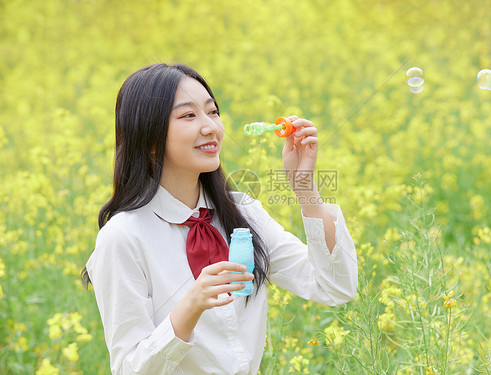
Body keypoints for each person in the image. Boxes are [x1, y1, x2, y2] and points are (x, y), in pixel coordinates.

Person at [81, 63, 358, 375]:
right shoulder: (122, 237)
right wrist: (190, 307)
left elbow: (335, 287)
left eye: (213, 112)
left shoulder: (244, 213)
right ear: (150, 137)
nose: (210, 127)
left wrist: (306, 190)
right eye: (188, 115)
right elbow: (129, 368)